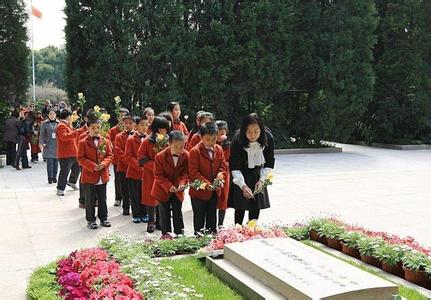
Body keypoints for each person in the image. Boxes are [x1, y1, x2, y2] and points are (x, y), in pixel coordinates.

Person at [229, 113, 275, 224]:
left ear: (261, 129)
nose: (252, 135)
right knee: (240, 206)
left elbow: (269, 162)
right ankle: (237, 230)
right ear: (244, 130)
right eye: (249, 131)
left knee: (255, 205)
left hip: (257, 174)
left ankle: (252, 230)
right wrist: (243, 186)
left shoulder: (268, 138)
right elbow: (234, 166)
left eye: (256, 131)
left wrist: (262, 180)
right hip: (241, 174)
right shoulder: (237, 139)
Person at [189, 122, 227, 234]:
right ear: (201, 137)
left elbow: (222, 165)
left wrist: (220, 175)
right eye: (207, 139)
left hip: (214, 191)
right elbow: (193, 172)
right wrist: (206, 184)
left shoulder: (219, 149)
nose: (211, 142)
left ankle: (211, 240)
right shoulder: (195, 151)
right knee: (199, 219)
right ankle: (199, 240)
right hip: (199, 192)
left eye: (214, 139)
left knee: (212, 218)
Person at [77, 117, 113, 229]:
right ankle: (91, 220)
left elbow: (109, 155)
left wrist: (104, 164)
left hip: (102, 175)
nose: (96, 130)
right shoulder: (83, 142)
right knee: (90, 200)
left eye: (98, 127)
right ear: (88, 128)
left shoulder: (105, 141)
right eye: (93, 128)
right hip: (89, 176)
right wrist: (93, 166)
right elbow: (80, 158)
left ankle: (103, 217)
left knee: (103, 198)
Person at [152, 131, 189, 238]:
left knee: (178, 213)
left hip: (178, 190)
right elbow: (158, 175)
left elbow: (186, 173)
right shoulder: (160, 156)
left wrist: (182, 184)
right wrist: (169, 186)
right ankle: (166, 237)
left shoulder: (186, 155)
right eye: (176, 147)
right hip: (162, 189)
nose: (179, 150)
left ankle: (180, 236)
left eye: (182, 147)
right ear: (169, 144)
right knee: (164, 214)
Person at [137, 116, 170, 233]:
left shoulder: (168, 141)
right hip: (150, 174)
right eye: (161, 129)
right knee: (151, 199)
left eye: (165, 129)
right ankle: (151, 221)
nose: (164, 131)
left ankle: (160, 221)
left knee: (161, 198)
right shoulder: (147, 141)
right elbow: (141, 157)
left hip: (164, 175)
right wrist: (155, 166)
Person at [125, 116, 149, 223]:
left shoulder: (150, 139)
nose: (144, 127)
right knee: (134, 195)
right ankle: (136, 214)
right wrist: (139, 167)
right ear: (136, 126)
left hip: (146, 172)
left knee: (144, 194)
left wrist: (147, 167)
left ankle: (144, 213)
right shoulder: (131, 139)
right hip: (134, 172)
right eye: (142, 125)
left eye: (146, 125)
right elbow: (128, 156)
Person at [56, 109, 80, 197]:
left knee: (77, 168)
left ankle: (72, 181)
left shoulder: (67, 125)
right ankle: (60, 188)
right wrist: (76, 133)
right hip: (65, 153)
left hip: (73, 152)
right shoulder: (61, 125)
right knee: (64, 171)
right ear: (68, 117)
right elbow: (63, 137)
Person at [114, 114, 135, 216]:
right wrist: (128, 161)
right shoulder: (119, 137)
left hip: (135, 168)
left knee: (135, 189)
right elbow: (118, 151)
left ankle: (136, 208)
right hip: (123, 167)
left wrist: (134, 163)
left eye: (130, 123)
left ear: (135, 124)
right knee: (124, 188)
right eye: (125, 123)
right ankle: (125, 207)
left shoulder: (137, 136)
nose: (128, 125)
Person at [109, 107, 129, 207]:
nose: (122, 118)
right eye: (120, 116)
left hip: (130, 158)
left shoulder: (131, 130)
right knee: (118, 179)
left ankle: (127, 197)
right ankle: (118, 197)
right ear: (117, 117)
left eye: (124, 116)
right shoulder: (113, 130)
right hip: (118, 158)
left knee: (128, 179)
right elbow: (110, 143)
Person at [215, 120, 231, 227]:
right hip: (212, 174)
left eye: (223, 133)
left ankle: (220, 223)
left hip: (225, 174)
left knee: (223, 199)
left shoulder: (228, 145)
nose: (221, 136)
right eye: (218, 133)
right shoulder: (211, 144)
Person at [39, 110, 59, 184]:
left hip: (57, 145)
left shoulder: (59, 123)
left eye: (53, 114)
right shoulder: (45, 123)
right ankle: (50, 178)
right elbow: (42, 134)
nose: (52, 115)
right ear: (48, 115)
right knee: (50, 162)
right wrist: (41, 142)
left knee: (56, 163)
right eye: (50, 114)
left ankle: (54, 177)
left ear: (55, 115)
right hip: (48, 144)